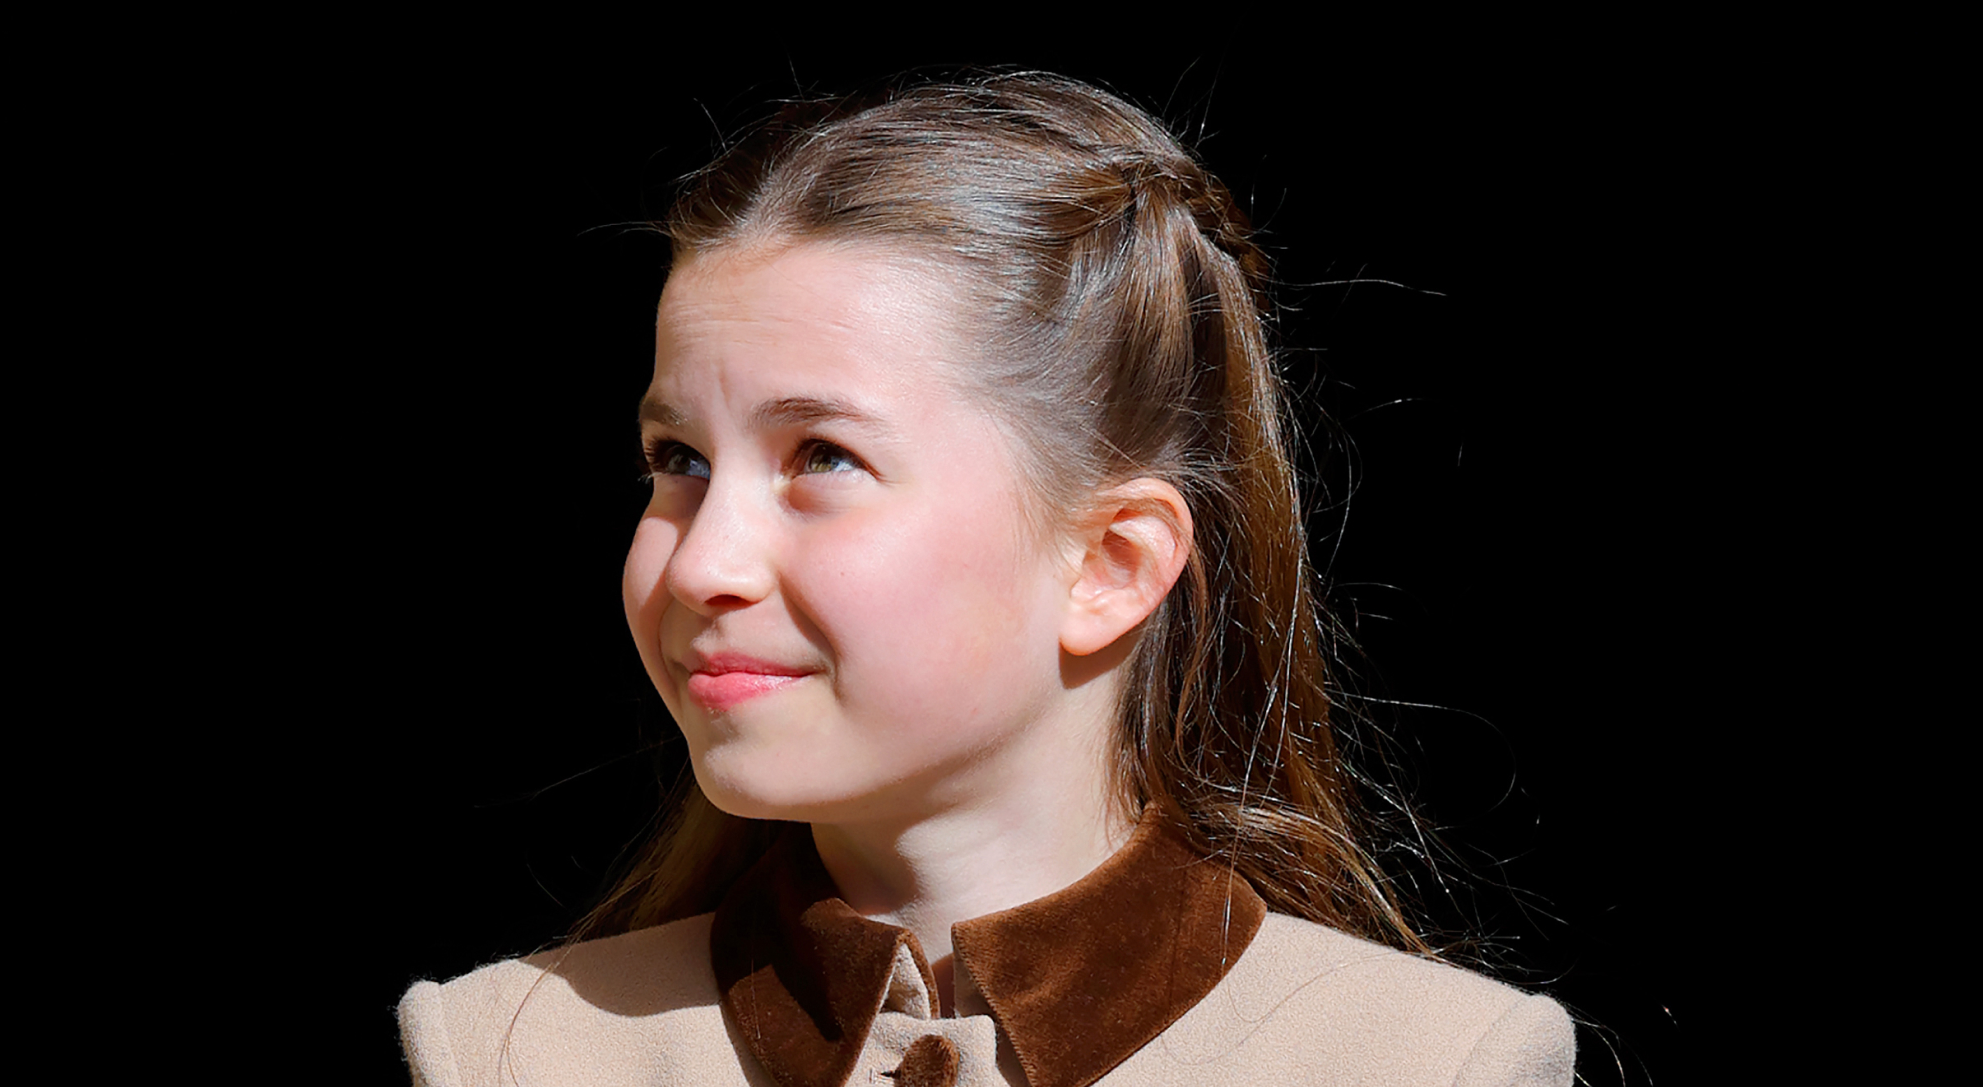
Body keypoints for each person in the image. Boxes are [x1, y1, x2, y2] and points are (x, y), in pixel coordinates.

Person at [398, 72, 1575, 1087]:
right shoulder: (514, 1050)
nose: (701, 560)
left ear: (1109, 564)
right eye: (678, 461)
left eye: (823, 458)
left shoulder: (1426, 1062)